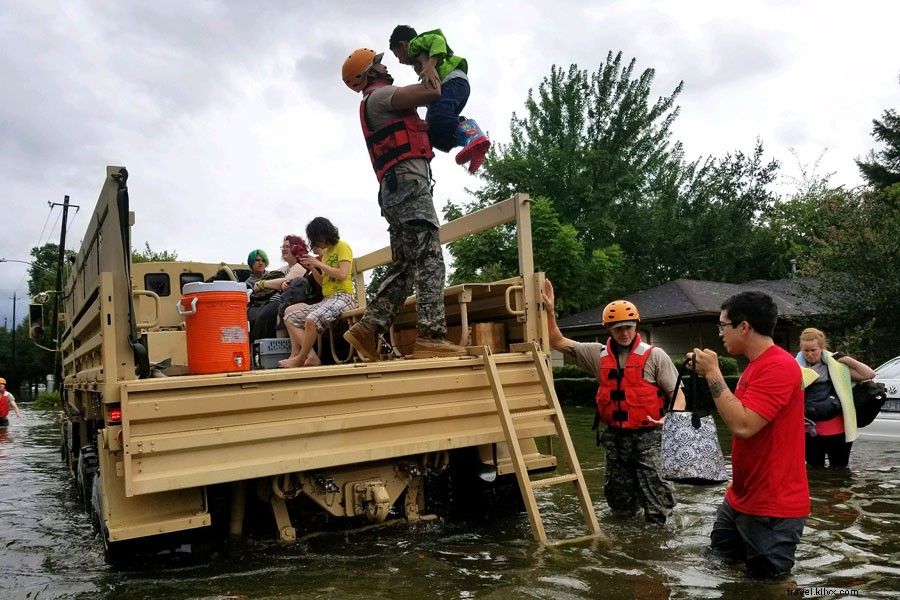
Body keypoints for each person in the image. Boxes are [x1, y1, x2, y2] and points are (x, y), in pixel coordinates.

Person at [341, 48, 466, 361]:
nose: (387, 67)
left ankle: (368, 328)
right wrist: (429, 63)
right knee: (430, 258)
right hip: (409, 189)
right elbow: (432, 92)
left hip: (396, 191)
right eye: (380, 63)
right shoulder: (380, 97)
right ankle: (431, 337)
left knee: (406, 266)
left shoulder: (375, 101)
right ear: (370, 72)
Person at [542, 279, 684, 524]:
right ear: (608, 328)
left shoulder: (655, 356)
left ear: (636, 325)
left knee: (659, 507)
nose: (625, 333)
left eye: (629, 327)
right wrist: (550, 311)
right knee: (620, 508)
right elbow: (557, 341)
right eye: (618, 328)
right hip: (616, 441)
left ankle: (660, 542)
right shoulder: (596, 354)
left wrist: (671, 418)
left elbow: (678, 395)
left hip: (650, 439)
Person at [689, 291, 809, 579]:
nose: (720, 333)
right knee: (719, 567)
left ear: (744, 327)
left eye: (723, 325)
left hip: (772, 507)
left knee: (770, 587)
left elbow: (743, 426)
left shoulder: (779, 366)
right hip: (740, 498)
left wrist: (713, 373)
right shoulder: (756, 365)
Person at [389, 25, 490, 173]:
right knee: (432, 131)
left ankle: (472, 133)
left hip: (452, 81)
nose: (399, 61)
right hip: (455, 87)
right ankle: (470, 143)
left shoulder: (415, 44)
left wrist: (430, 65)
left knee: (436, 116)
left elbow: (438, 40)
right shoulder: (419, 60)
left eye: (397, 55)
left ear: (402, 45)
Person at [279, 218, 358, 368]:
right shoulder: (326, 253)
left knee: (312, 319)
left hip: (344, 297)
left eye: (316, 239)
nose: (315, 244)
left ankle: (301, 358)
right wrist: (313, 268)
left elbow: (342, 274)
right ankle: (311, 357)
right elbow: (323, 283)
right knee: (290, 318)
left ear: (323, 234)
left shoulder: (342, 246)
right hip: (328, 299)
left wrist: (318, 263)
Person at [796, 327, 875, 468]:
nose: (810, 354)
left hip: (837, 429)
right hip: (808, 430)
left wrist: (848, 360)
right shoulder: (795, 368)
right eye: (806, 351)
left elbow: (869, 374)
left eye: (813, 350)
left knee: (840, 471)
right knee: (815, 472)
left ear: (821, 348)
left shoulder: (836, 366)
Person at [249, 236, 307, 342]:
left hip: (283, 303)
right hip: (267, 303)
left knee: (267, 315)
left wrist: (262, 284)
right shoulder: (282, 269)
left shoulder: (300, 266)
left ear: (296, 248)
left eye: (287, 247)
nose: (284, 249)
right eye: (283, 247)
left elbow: (286, 280)